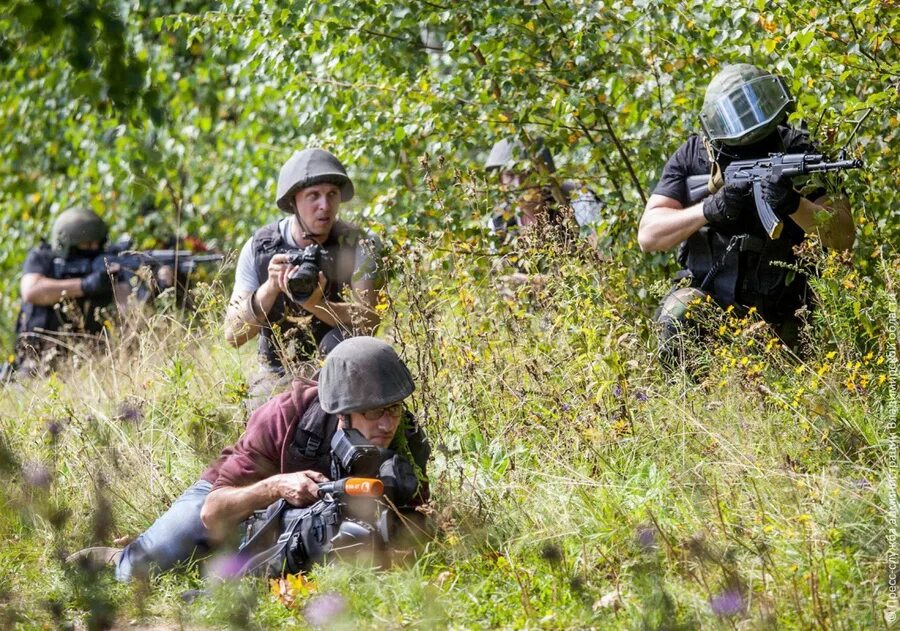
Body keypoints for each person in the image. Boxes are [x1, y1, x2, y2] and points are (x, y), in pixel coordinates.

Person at [67, 336, 431, 580]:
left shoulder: (403, 434)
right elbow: (214, 510)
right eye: (372, 412)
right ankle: (118, 556)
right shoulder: (285, 416)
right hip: (234, 496)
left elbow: (415, 515)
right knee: (141, 568)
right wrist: (276, 486)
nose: (387, 423)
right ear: (342, 412)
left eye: (394, 409)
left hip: (305, 522)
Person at [637, 63, 855, 364]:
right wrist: (708, 209)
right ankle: (686, 403)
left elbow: (843, 236)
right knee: (679, 313)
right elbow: (649, 236)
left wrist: (794, 204)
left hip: (784, 311)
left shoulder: (798, 151)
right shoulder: (694, 156)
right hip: (709, 302)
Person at [223, 148, 385, 402]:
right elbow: (233, 335)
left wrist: (318, 305)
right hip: (276, 375)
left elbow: (371, 320)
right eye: (313, 196)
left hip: (342, 376)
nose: (325, 205)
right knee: (262, 413)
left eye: (332, 194)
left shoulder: (359, 244)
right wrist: (270, 287)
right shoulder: (260, 249)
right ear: (293, 202)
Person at [8, 208, 130, 376]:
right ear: (65, 244)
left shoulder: (108, 263)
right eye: (86, 245)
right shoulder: (42, 258)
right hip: (37, 361)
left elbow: (130, 314)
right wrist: (85, 285)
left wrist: (125, 280)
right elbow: (31, 291)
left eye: (97, 243)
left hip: (92, 362)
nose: (93, 248)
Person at [484, 137, 602, 243]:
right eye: (510, 175)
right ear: (500, 181)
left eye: (527, 173)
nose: (518, 183)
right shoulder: (498, 222)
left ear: (545, 174)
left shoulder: (580, 200)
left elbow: (603, 254)